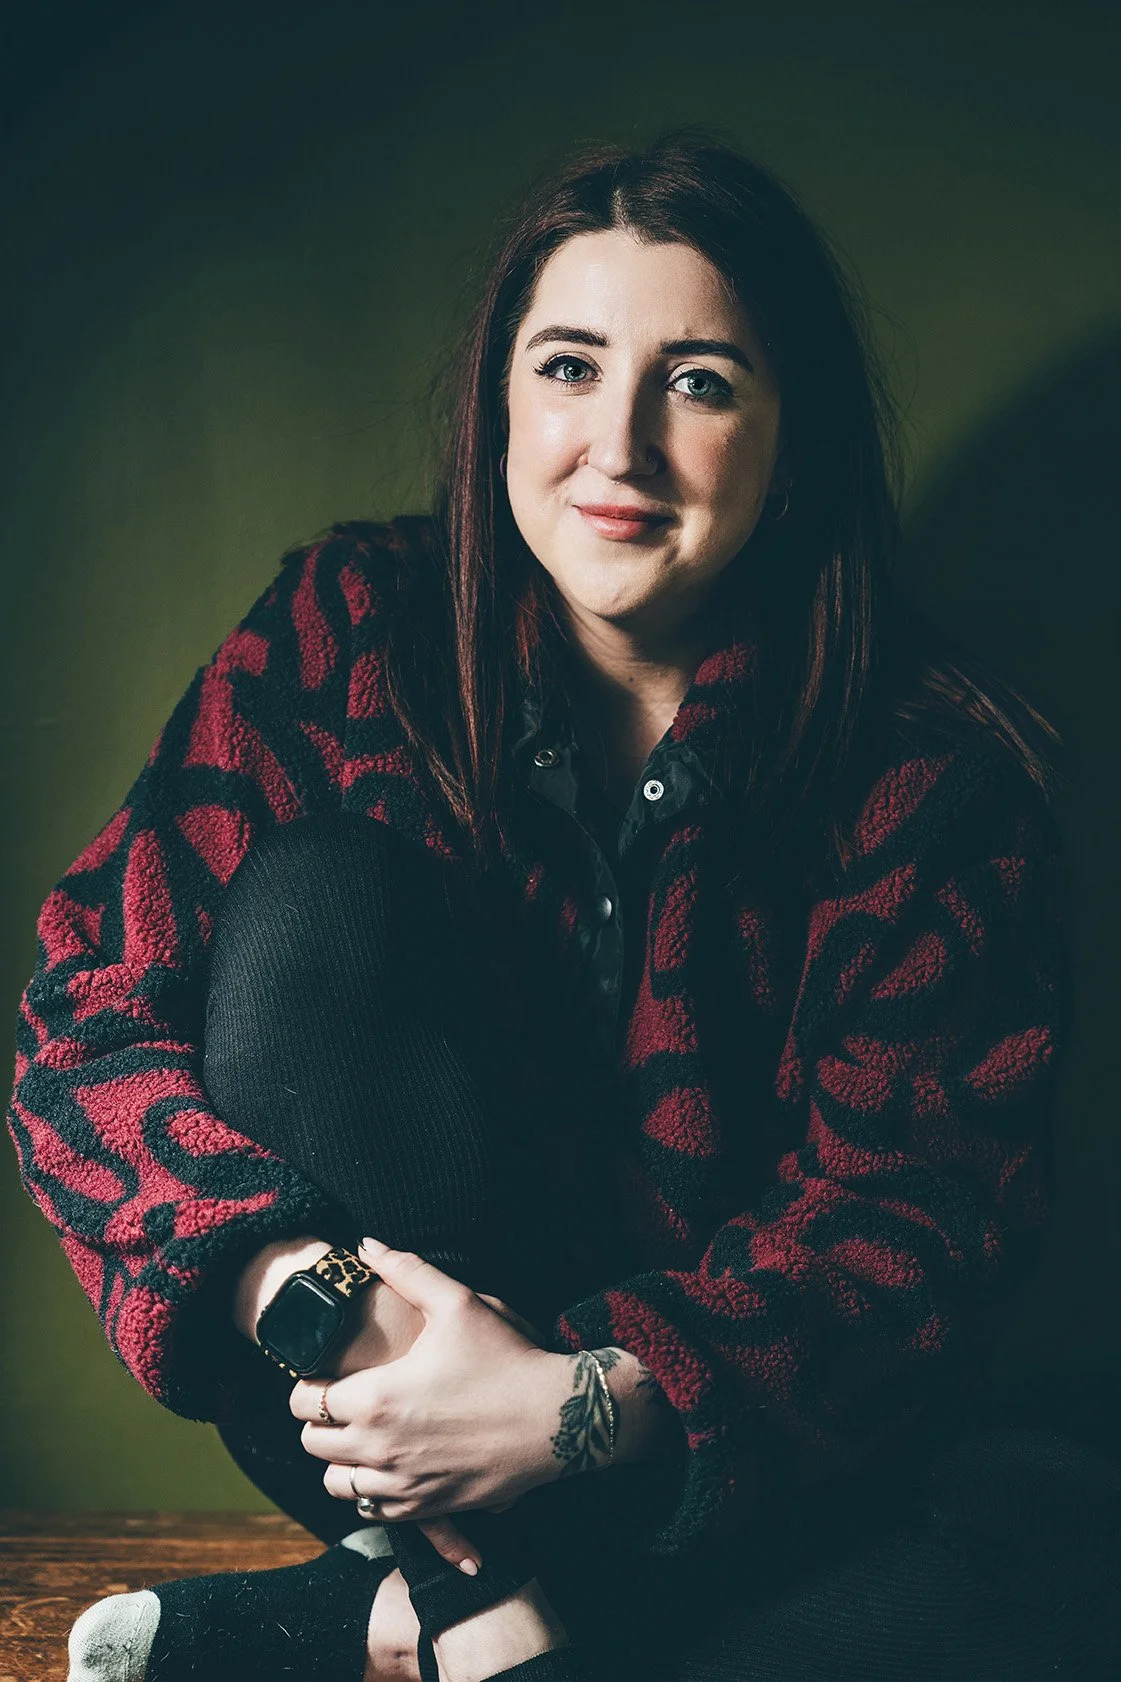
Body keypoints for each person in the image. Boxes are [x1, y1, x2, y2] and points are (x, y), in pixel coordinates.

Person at [8, 130, 1119, 1682]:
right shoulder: (346, 633)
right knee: (319, 912)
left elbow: (915, 1225)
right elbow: (82, 1012)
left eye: (700, 382)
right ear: (499, 402)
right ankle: (465, 1596)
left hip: (713, 1468)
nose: (619, 445)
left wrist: (568, 1405)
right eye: (571, 366)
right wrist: (304, 1301)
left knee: (1070, 1549)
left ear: (789, 439)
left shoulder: (936, 773)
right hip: (375, 1411)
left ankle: (403, 1624)